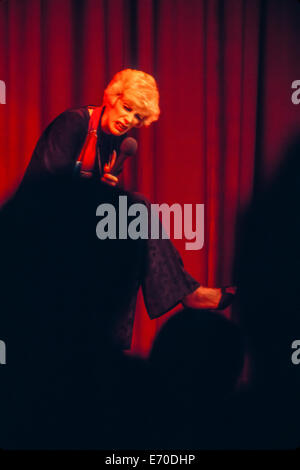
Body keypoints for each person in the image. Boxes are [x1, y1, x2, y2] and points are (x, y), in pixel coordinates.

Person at [20, 68, 235, 349]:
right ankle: (189, 293)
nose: (128, 120)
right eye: (127, 108)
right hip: (41, 225)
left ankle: (113, 344)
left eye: (137, 117)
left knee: (128, 243)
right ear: (112, 97)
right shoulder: (74, 123)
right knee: (136, 208)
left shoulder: (111, 142)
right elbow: (48, 188)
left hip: (75, 229)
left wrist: (101, 191)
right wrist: (96, 194)